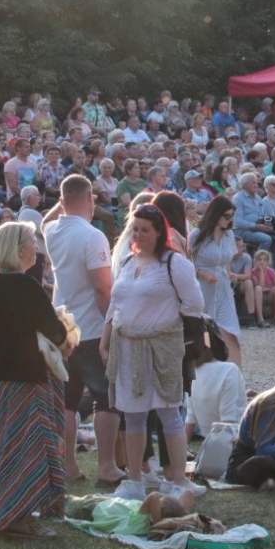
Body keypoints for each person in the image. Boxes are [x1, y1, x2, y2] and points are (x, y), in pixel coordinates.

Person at [102, 203, 205, 501]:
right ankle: (134, 480)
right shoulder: (127, 262)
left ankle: (177, 482)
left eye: (145, 230)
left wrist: (163, 325)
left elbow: (194, 304)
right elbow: (114, 303)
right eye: (135, 229)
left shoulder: (174, 263)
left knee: (169, 412)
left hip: (162, 346)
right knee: (133, 415)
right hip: (127, 345)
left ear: (160, 232)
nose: (139, 234)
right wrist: (105, 339)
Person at [0, 222, 72, 540]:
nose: (38, 249)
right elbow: (55, 331)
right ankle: (17, 516)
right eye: (34, 242)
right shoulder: (25, 285)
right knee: (31, 445)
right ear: (20, 249)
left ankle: (7, 512)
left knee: (6, 446)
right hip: (25, 375)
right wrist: (66, 335)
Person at [43, 174, 120, 488]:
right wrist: (111, 327)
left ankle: (69, 465)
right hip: (90, 327)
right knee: (106, 398)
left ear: (61, 202)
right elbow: (103, 288)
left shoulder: (52, 230)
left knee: (68, 400)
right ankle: (107, 467)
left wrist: (61, 205)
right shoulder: (92, 236)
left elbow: (45, 220)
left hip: (62, 325)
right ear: (91, 199)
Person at [189, 197, 243, 367]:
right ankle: (207, 371)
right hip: (202, 287)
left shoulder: (229, 235)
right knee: (205, 330)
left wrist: (229, 273)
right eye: (226, 216)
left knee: (230, 331)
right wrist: (202, 274)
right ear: (216, 214)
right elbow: (184, 263)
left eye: (231, 216)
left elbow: (226, 260)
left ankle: (237, 376)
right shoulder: (197, 235)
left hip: (224, 287)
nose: (229, 220)